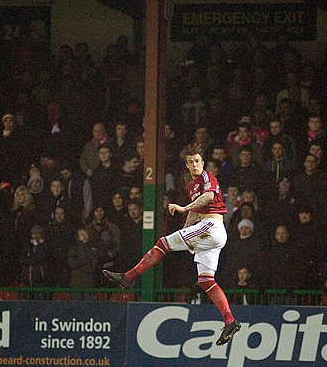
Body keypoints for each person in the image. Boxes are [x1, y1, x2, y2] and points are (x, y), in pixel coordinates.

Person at [103, 143, 241, 346]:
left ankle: (128, 277)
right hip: (209, 235)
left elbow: (209, 197)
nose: (194, 164)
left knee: (162, 243)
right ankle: (229, 320)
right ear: (186, 165)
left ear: (203, 163)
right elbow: (195, 213)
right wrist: (184, 233)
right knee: (205, 280)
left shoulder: (206, 178)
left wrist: (183, 208)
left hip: (212, 226)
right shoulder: (192, 185)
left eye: (197, 161)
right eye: (190, 162)